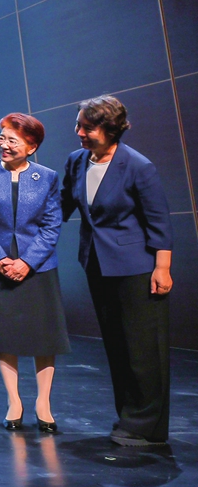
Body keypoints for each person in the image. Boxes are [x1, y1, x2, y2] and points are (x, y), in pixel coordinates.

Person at [61, 95, 174, 446]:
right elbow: (62, 204)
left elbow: (158, 222)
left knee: (143, 348)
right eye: (79, 124)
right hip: (97, 264)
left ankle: (147, 425)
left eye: (87, 127)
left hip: (137, 268)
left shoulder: (138, 166)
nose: (78, 132)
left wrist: (163, 268)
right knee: (117, 346)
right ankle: (129, 415)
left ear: (110, 130)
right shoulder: (77, 161)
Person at [0, 113, 68, 433]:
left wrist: (27, 262)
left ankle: (43, 403)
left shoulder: (47, 177)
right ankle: (14, 401)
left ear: (31, 146)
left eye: (12, 140)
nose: (4, 145)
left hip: (38, 269)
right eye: (2, 138)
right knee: (5, 334)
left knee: (44, 337)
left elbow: (52, 226)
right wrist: (0, 260)